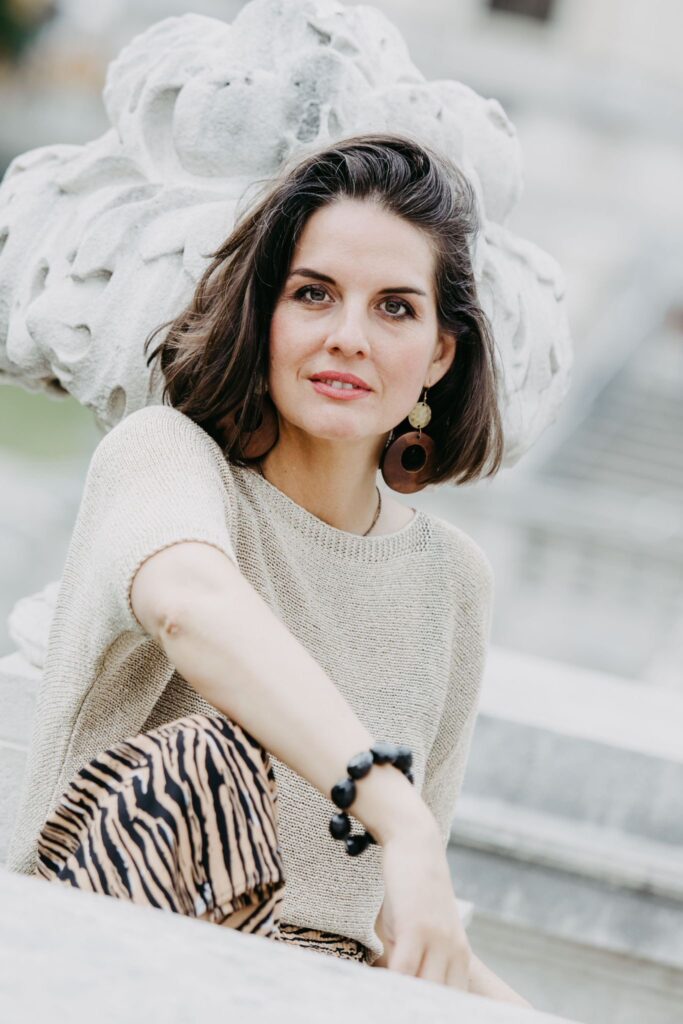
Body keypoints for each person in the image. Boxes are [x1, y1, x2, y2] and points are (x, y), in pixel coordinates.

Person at [8, 133, 531, 1006]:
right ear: (266, 312)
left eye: (395, 308)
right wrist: (394, 812)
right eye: (312, 293)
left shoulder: (451, 581)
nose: (348, 338)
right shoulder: (166, 460)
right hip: (110, 962)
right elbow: (190, 604)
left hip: (324, 994)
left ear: (440, 353)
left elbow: (405, 929)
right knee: (207, 759)